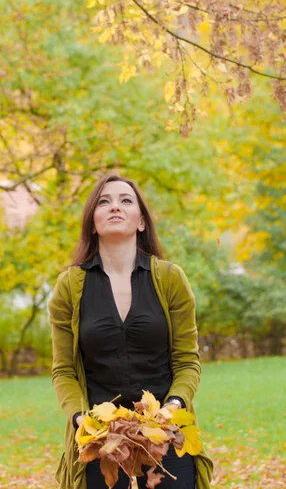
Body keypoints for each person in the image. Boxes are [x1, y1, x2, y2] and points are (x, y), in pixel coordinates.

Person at [48, 174, 213, 489]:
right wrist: (82, 419)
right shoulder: (69, 286)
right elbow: (64, 371)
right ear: (92, 223)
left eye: (126, 200)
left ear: (141, 222)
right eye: (104, 201)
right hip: (100, 437)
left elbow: (187, 362)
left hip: (165, 432)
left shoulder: (170, 279)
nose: (115, 207)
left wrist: (172, 407)